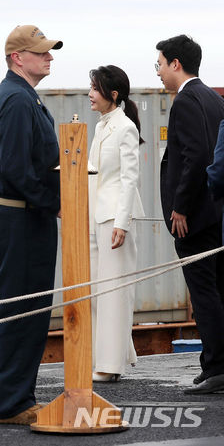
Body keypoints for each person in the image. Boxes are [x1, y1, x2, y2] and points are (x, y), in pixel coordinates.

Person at [0, 25, 62, 425]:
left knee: (26, 312)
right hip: (20, 219)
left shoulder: (21, 96)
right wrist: (55, 203)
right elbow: (16, 169)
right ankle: (11, 404)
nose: (49, 57)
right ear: (18, 58)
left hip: (22, 218)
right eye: (41, 52)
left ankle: (16, 397)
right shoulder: (16, 100)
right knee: (21, 313)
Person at [156, 35, 224, 394]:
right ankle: (215, 365)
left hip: (194, 215)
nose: (159, 73)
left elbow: (195, 157)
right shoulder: (214, 97)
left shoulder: (184, 102)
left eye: (160, 65)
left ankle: (215, 368)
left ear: (176, 64)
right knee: (218, 289)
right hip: (217, 212)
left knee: (203, 293)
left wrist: (179, 206)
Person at [87, 65, 145, 382]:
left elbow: (129, 179)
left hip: (114, 220)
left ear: (113, 94)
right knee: (98, 292)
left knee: (113, 293)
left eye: (95, 88)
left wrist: (122, 222)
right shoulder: (100, 126)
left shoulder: (125, 127)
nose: (90, 94)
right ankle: (108, 356)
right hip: (96, 217)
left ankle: (110, 366)